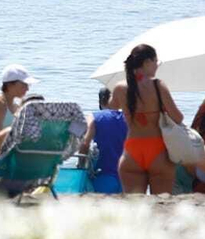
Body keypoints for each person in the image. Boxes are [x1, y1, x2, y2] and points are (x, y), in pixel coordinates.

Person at [108, 44, 182, 195]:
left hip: (132, 151)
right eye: (156, 62)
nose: (156, 66)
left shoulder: (120, 87)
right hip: (157, 150)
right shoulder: (158, 85)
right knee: (161, 206)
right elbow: (178, 117)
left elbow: (112, 106)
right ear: (147, 62)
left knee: (134, 208)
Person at [77, 87, 126, 194]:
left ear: (100, 101)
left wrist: (80, 165)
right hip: (127, 178)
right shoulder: (128, 118)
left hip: (103, 176)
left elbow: (85, 143)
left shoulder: (94, 117)